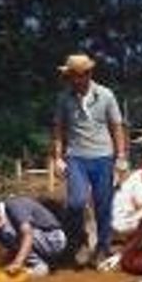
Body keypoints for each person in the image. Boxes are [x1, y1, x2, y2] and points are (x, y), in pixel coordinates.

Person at [51, 53, 128, 268]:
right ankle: (80, 242)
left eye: (77, 76)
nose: (73, 80)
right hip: (76, 157)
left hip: (103, 157)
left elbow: (116, 127)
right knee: (76, 202)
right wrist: (58, 157)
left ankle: (103, 247)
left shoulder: (105, 95)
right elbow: (58, 128)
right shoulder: (64, 98)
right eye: (70, 76)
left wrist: (121, 157)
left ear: (88, 74)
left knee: (103, 204)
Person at [0, 195, 67, 276]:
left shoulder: (14, 205)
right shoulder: (0, 227)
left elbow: (28, 234)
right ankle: (39, 266)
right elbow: (14, 248)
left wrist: (17, 263)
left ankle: (41, 265)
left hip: (54, 239)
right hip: (39, 243)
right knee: (4, 233)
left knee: (18, 233)